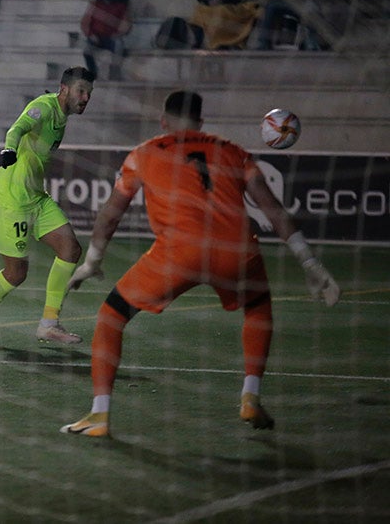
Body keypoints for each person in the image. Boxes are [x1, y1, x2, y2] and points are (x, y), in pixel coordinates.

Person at [60, 90, 340, 438]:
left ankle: (100, 415)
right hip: (237, 252)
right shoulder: (233, 151)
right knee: (257, 308)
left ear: (163, 121)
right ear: (202, 122)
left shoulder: (144, 153)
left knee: (111, 316)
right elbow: (273, 210)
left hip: (179, 254)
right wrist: (309, 262)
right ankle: (250, 394)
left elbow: (109, 216)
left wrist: (92, 262)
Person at [0, 66, 96, 346]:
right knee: (16, 273)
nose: (85, 98)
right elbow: (17, 128)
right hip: (11, 200)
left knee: (70, 249)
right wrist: (8, 149)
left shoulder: (62, 117)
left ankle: (49, 324)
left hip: (36, 198)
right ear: (64, 89)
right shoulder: (43, 106)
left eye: (89, 93)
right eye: (81, 91)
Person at [80, 0, 132, 81]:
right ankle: (93, 73)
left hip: (112, 38)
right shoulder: (94, 5)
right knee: (87, 50)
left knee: (118, 46)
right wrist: (90, 35)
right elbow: (85, 23)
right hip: (96, 38)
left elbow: (126, 24)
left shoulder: (120, 7)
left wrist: (118, 34)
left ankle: (114, 73)